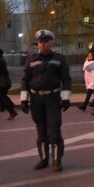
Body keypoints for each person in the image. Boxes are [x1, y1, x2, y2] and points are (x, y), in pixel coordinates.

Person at [20, 29, 71, 171]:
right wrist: (24, 100)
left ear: (51, 43)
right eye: (40, 43)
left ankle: (56, 160)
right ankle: (43, 159)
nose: (42, 45)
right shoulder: (31, 59)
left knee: (54, 130)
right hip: (36, 99)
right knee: (41, 131)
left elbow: (66, 79)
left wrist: (66, 98)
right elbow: (25, 79)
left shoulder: (59, 59)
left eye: (45, 42)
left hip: (52, 98)